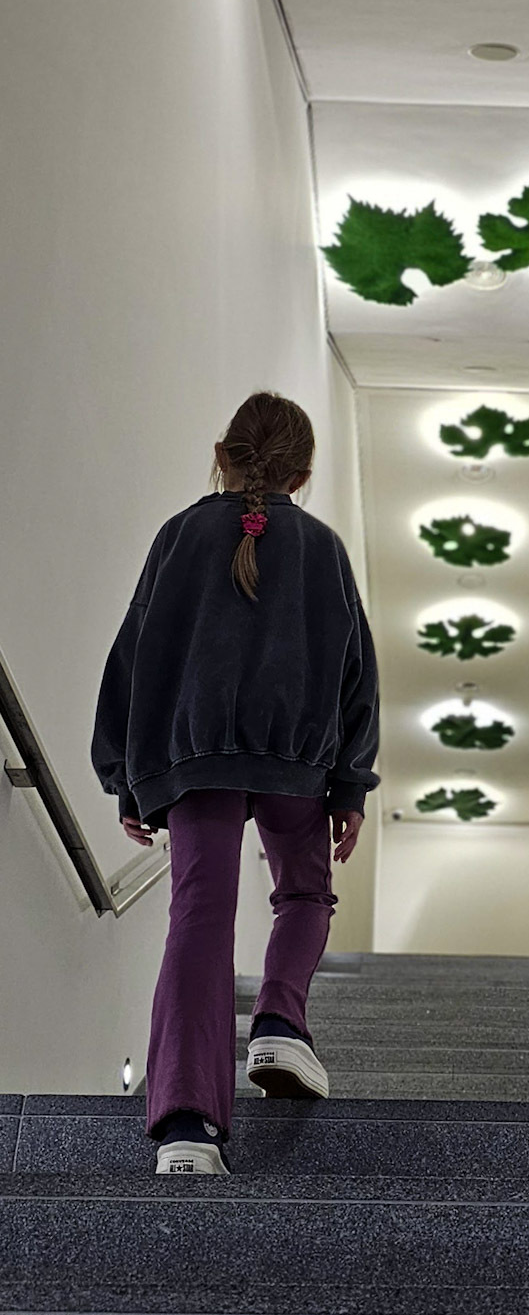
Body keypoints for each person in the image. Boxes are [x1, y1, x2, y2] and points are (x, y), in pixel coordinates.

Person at [91, 390, 379, 1177]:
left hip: (195, 766)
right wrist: (350, 785)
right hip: (297, 766)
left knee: (198, 920)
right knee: (305, 895)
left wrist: (127, 778)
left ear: (221, 456)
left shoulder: (179, 535)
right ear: (303, 474)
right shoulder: (322, 548)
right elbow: (355, 673)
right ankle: (280, 1024)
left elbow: (134, 659)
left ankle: (187, 1128)